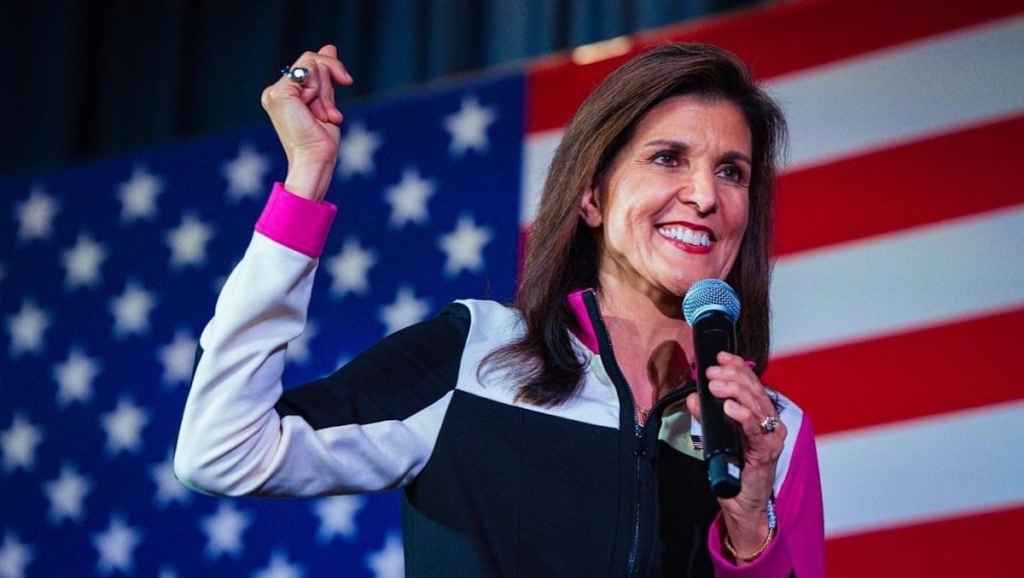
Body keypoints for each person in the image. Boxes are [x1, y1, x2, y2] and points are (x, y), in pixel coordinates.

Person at [175, 42, 825, 576]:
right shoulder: (478, 354)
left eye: (732, 172)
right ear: (591, 197)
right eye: (667, 159)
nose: (704, 196)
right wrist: (304, 182)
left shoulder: (771, 434)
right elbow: (221, 451)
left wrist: (747, 530)